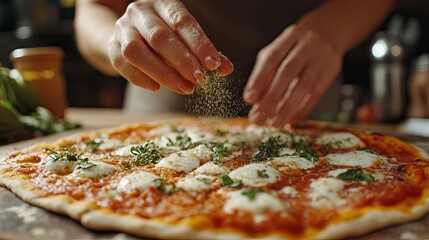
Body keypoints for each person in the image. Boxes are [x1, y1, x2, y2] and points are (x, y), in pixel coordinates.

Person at [74, 0, 393, 127]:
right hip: (164, 111)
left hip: (304, 110)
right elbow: (92, 8)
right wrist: (116, 42)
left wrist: (331, 30)